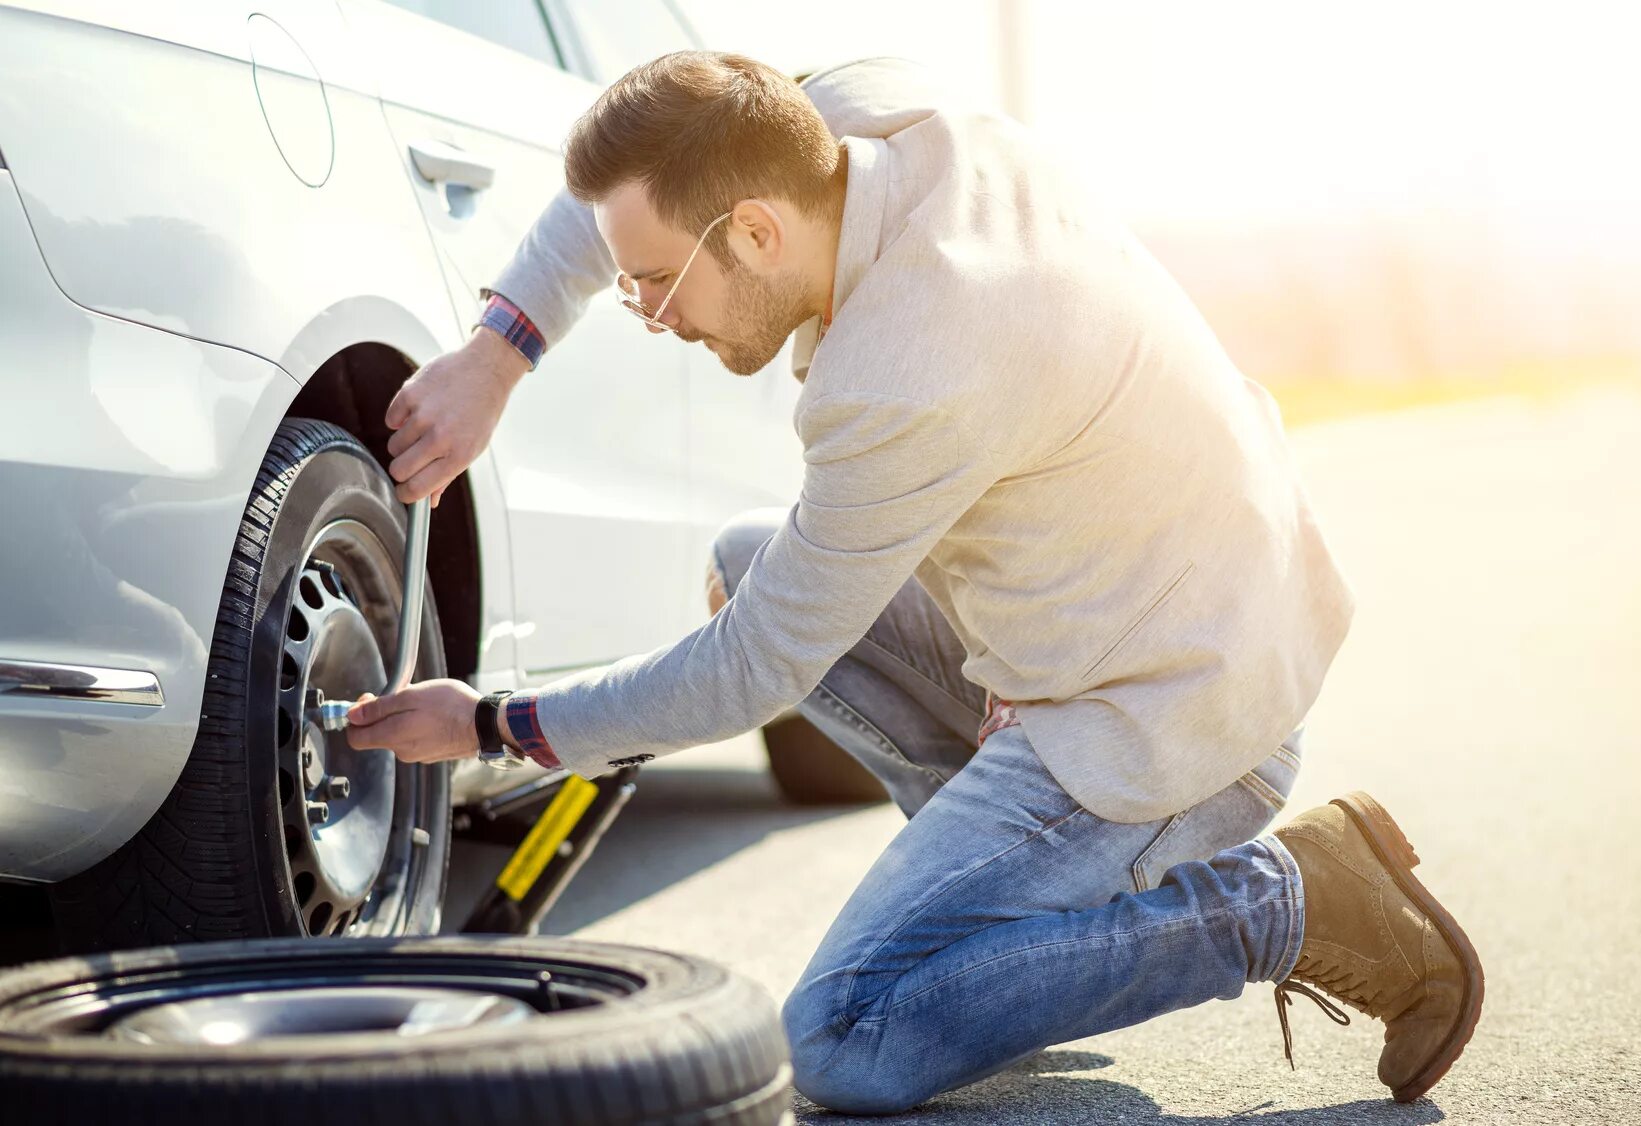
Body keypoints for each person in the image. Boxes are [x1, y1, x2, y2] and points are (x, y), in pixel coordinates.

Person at [343, 52, 1483, 1112]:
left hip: (1176, 712)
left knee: (845, 1036)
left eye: (654, 286)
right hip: (1174, 601)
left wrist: (497, 722)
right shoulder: (852, 127)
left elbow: (754, 669)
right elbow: (632, 199)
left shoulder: (907, 369)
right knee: (750, 558)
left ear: (754, 230)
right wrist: (496, 354)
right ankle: (1005, 927)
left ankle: (1282, 898)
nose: (647, 314)